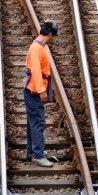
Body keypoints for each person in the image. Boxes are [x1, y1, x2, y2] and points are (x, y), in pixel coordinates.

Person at [25, 21, 58, 167]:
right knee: (38, 123)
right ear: (50, 34)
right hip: (34, 92)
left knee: (33, 122)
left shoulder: (39, 47)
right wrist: (41, 91)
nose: (53, 39)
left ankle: (33, 152)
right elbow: (36, 71)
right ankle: (38, 155)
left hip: (33, 90)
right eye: (54, 36)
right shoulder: (36, 49)